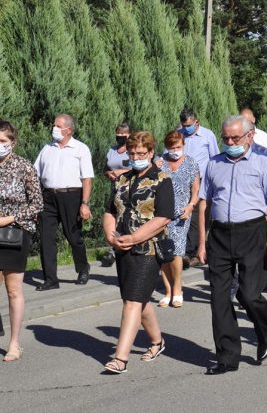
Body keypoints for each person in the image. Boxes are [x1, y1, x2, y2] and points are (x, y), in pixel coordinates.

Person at [197, 115, 267, 374]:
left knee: (248, 294)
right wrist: (202, 242)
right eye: (226, 138)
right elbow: (204, 203)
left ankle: (265, 331)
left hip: (251, 232)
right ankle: (227, 357)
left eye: (235, 138)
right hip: (220, 236)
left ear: (250, 136)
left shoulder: (264, 161)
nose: (230, 142)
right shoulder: (214, 163)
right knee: (219, 298)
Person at [102, 131, 174, 373]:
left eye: (141, 153)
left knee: (133, 301)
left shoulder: (161, 179)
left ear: (151, 152)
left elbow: (163, 217)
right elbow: (110, 210)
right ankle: (157, 342)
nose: (136, 157)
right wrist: (111, 236)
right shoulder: (122, 180)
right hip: (122, 249)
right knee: (137, 300)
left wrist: (134, 237)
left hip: (149, 250)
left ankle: (120, 358)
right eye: (132, 153)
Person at [33, 114, 94, 291]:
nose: (54, 128)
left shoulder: (80, 149)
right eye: (54, 125)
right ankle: (51, 279)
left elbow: (87, 179)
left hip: (71, 196)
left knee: (73, 236)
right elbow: (35, 174)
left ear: (68, 129)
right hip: (48, 197)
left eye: (58, 126)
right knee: (46, 238)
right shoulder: (47, 148)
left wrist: (84, 203)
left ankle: (83, 268)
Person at [0, 120, 43, 361]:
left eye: (3, 142)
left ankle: (14, 344)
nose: (0, 146)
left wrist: (10, 218)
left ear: (12, 142)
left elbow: (37, 204)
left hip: (14, 233)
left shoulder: (24, 167)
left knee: (13, 289)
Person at [158, 131, 200, 308]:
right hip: (161, 213)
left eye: (178, 147)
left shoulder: (190, 163)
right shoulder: (160, 162)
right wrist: (154, 167)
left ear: (183, 145)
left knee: (175, 251)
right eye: (171, 147)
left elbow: (196, 190)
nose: (175, 150)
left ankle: (177, 289)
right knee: (162, 253)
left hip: (181, 214)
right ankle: (167, 290)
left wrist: (191, 206)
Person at [178, 108, 219, 268]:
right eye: (184, 124)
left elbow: (215, 158)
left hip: (201, 180)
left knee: (196, 215)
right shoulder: (179, 133)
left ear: (197, 122)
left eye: (189, 125)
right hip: (182, 180)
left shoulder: (208, 135)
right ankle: (185, 249)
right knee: (183, 214)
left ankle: (193, 252)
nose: (186, 127)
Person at [101, 122, 132, 267]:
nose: (119, 138)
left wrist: (122, 172)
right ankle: (113, 247)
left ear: (129, 135)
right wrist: (109, 174)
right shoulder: (112, 150)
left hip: (131, 189)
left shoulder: (133, 150)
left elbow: (140, 168)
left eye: (123, 136)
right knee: (114, 216)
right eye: (117, 135)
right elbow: (106, 168)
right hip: (115, 188)